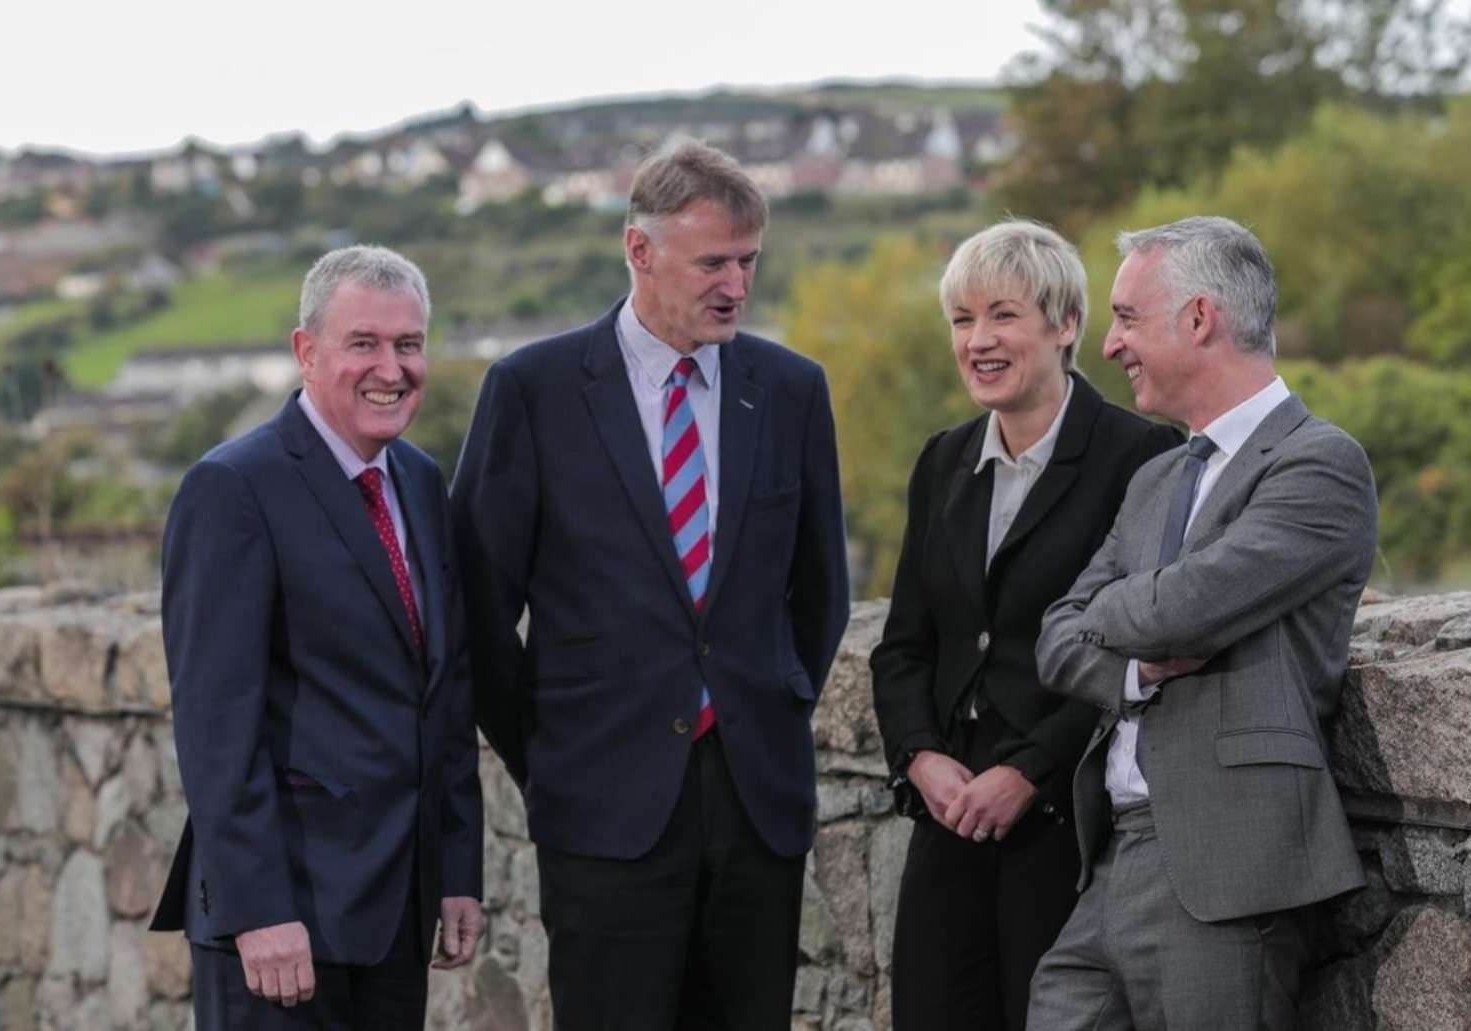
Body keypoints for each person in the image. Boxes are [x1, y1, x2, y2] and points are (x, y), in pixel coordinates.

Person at [450, 138, 850, 1030]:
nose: (736, 286)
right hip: (600, 809)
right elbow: (476, 614)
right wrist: (552, 754)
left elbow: (821, 597)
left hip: (756, 809)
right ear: (640, 250)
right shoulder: (532, 390)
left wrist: (767, 712)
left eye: (748, 261)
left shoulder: (790, 390)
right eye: (713, 261)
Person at [1026, 216, 1377, 1029]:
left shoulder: (1319, 463)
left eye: (1125, 317)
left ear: (1199, 319)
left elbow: (1181, 612)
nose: (1109, 344)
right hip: (1111, 863)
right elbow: (1055, 635)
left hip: (1226, 871)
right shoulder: (1154, 478)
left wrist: (1116, 615)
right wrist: (1135, 665)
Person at [150, 245, 485, 1030]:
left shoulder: (421, 481)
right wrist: (258, 909)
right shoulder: (232, 489)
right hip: (282, 923)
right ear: (306, 351)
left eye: (409, 344)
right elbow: (215, 725)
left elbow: (444, 689)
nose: (392, 368)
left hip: (396, 913)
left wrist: (456, 868)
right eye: (363, 343)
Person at [870, 220, 1181, 1030]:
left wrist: (1030, 771)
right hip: (950, 807)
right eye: (962, 320)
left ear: (1066, 324)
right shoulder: (941, 460)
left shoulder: (1141, 456)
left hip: (1065, 809)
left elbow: (1143, 650)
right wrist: (919, 755)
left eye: (1003, 315)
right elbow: (905, 644)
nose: (978, 341)